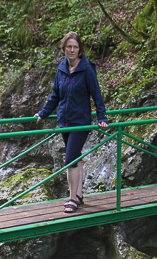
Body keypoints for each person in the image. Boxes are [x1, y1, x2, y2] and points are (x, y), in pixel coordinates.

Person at [36, 32, 109, 214]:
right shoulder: (61, 69)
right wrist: (44, 113)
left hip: (80, 122)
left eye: (75, 47)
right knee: (76, 157)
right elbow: (55, 95)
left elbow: (97, 95)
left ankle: (72, 198)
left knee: (70, 160)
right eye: (69, 46)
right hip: (65, 121)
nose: (72, 50)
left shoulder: (87, 69)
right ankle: (79, 194)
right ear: (64, 48)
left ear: (80, 49)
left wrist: (102, 117)